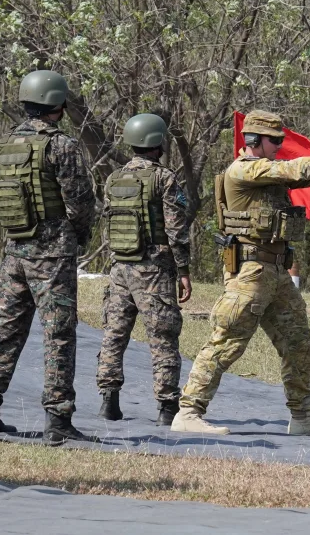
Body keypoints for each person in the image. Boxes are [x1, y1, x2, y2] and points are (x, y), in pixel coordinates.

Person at [171, 109, 310, 436]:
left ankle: (303, 417)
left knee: (299, 345)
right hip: (250, 271)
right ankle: (188, 412)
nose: (279, 145)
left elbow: (306, 177)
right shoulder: (244, 170)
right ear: (253, 140)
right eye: (273, 140)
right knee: (226, 343)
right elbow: (295, 169)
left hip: (275, 271)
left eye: (280, 139)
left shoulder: (268, 172)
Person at [0, 70, 97, 444]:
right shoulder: (62, 145)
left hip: (15, 248)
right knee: (58, 333)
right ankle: (58, 421)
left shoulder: (7, 142)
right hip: (51, 252)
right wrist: (77, 237)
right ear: (58, 105)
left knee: (4, 329)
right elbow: (80, 201)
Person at [96, 113, 192, 426]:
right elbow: (176, 230)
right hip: (153, 269)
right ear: (157, 142)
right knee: (162, 337)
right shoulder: (164, 178)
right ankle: (167, 408)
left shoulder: (114, 178)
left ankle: (108, 401)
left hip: (120, 267)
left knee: (114, 334)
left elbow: (108, 225)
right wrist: (184, 269)